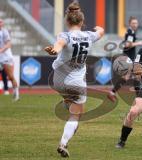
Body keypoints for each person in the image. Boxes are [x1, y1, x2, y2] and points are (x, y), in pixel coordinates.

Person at [44, 2, 104, 158]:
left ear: (67, 21)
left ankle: (66, 102)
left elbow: (58, 45)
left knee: (70, 101)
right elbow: (101, 31)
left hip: (58, 79)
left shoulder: (65, 35)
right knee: (76, 116)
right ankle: (63, 143)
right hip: (76, 82)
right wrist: (98, 28)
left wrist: (53, 50)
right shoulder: (89, 36)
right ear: (82, 22)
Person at [0, 19, 19, 100]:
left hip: (5, 57)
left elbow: (8, 44)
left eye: (0, 22)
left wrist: (1, 50)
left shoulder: (4, 32)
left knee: (10, 76)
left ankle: (16, 93)